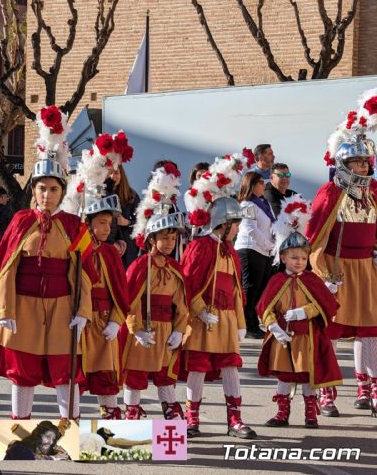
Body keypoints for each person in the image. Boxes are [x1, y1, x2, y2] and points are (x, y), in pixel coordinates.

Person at [0, 106, 94, 420]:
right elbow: (6, 268)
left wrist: (83, 311)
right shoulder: (20, 220)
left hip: (62, 308)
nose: (47, 195)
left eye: (54, 189)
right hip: (24, 307)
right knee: (22, 371)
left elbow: (84, 273)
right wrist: (4, 310)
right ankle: (20, 426)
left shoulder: (75, 226)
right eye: (42, 188)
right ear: (34, 190)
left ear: (63, 192)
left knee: (65, 370)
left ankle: (70, 428)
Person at [181, 153, 257, 439]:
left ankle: (235, 420)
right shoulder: (200, 247)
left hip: (225, 320)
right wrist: (200, 310)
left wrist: (240, 323)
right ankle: (192, 419)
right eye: (235, 224)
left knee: (230, 368)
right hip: (204, 320)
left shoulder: (231, 253)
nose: (238, 229)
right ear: (223, 224)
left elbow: (237, 291)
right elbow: (187, 284)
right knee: (198, 369)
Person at [305, 119, 377, 418]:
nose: (363, 166)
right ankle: (327, 392)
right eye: (356, 162)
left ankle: (367, 388)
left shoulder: (374, 191)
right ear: (344, 163)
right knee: (331, 333)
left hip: (367, 269)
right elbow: (314, 235)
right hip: (337, 270)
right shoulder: (330, 192)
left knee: (370, 331)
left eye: (365, 161)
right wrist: (322, 273)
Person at [61, 132, 132, 420]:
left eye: (109, 223)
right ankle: (72, 421)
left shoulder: (111, 254)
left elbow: (120, 290)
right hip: (80, 322)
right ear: (87, 222)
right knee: (75, 374)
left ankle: (112, 418)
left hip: (104, 324)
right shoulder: (77, 250)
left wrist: (116, 322)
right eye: (101, 222)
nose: (106, 228)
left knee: (105, 374)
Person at [257, 194, 342, 429]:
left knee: (307, 375)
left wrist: (305, 312)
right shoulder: (276, 280)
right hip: (282, 339)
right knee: (284, 376)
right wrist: (274, 327)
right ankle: (282, 412)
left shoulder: (312, 280)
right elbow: (266, 307)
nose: (299, 261)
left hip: (306, 338)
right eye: (294, 257)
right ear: (283, 257)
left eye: (304, 258)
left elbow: (325, 305)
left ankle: (310, 413)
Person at [120, 164, 189, 420]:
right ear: (151, 239)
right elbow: (131, 299)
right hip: (145, 330)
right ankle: (132, 410)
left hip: (166, 329)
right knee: (136, 373)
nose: (170, 244)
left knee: (165, 374)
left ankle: (170, 410)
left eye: (173, 239)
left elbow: (181, 303)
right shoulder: (140, 266)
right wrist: (135, 328)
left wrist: (179, 329)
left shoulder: (175, 269)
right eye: (164, 238)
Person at [235, 171, 276, 339]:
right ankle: (247, 324)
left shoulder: (263, 203)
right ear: (250, 185)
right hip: (250, 249)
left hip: (263, 251)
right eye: (260, 182)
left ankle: (252, 322)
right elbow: (249, 229)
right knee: (250, 288)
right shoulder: (247, 204)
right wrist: (269, 245)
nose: (263, 184)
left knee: (259, 288)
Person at [106, 164, 140, 267]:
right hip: (107, 242)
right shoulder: (100, 193)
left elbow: (142, 223)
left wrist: (127, 222)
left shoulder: (131, 195)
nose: (113, 177)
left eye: (116, 173)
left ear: (122, 174)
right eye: (109, 173)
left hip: (127, 247)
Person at [4, 421, 71, 460]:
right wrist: (54, 458)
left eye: (53, 439)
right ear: (38, 435)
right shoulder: (17, 447)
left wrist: (66, 457)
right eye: (48, 436)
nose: (51, 442)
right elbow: (31, 458)